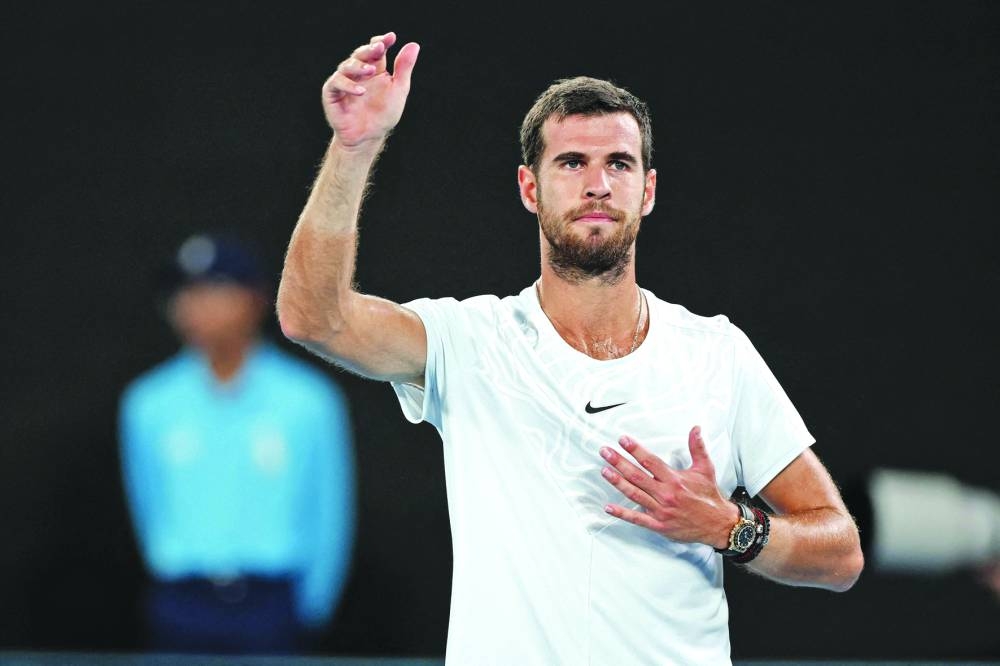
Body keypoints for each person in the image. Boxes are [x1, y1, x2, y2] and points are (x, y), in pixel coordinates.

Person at [276, 31, 863, 664]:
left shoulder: (716, 353)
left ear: (648, 189)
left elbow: (840, 553)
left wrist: (730, 527)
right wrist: (354, 146)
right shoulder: (471, 341)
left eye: (619, 163)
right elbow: (314, 317)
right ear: (530, 189)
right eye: (571, 163)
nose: (598, 185)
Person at [120, 233, 356, 654]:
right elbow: (149, 504)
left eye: (215, 291)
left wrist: (311, 605)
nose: (195, 307)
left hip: (271, 602)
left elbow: (329, 511)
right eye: (185, 294)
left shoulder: (306, 400)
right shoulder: (149, 403)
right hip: (182, 600)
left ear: (255, 299)